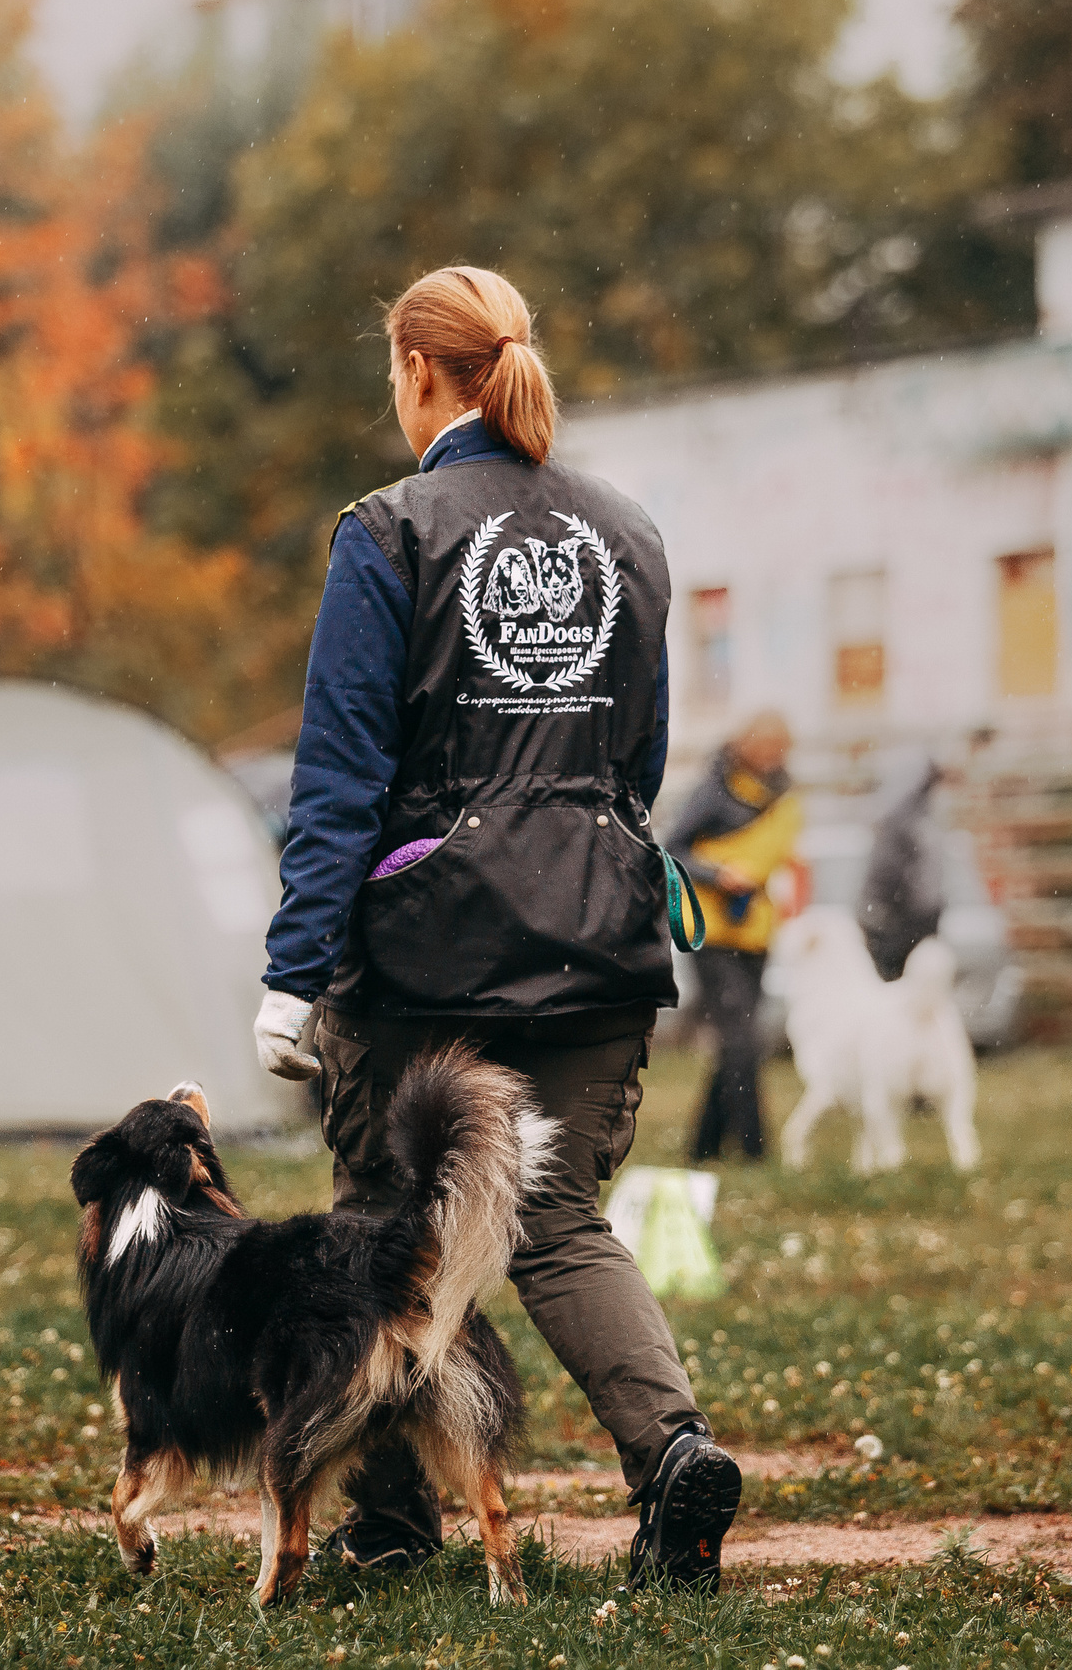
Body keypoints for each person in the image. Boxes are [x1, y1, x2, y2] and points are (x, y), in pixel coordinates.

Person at [250, 267, 740, 1590]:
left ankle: (397, 1513)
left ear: (419, 372)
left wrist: (294, 977)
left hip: (426, 956)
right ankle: (675, 1453)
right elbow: (637, 756)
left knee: (386, 1221)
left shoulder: (390, 532)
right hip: (597, 938)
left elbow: (342, 777)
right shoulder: (628, 530)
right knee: (561, 1215)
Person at [667, 712, 803, 1162]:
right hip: (711, 929)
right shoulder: (713, 789)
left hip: (756, 929)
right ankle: (754, 1149)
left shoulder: (784, 794)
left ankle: (703, 1147)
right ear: (743, 745)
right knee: (743, 1038)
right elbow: (673, 848)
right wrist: (719, 873)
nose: (770, 757)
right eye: (763, 747)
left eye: (777, 749)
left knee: (736, 1041)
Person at [857, 747, 947, 979]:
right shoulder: (906, 822)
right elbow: (892, 874)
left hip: (900, 920)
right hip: (900, 922)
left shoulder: (905, 819)